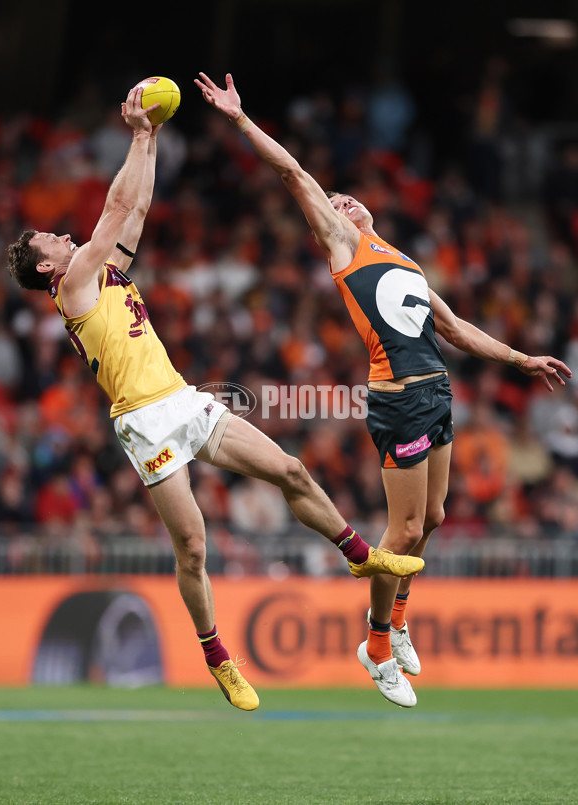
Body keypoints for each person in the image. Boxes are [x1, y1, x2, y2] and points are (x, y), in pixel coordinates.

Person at [7, 85, 424, 711]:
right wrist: (136, 135)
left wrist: (148, 137)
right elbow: (117, 204)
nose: (65, 237)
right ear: (46, 269)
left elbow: (136, 211)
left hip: (181, 399)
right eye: (52, 240)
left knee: (290, 469)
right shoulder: (73, 288)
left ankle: (360, 555)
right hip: (142, 423)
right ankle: (216, 655)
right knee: (194, 546)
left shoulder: (104, 273)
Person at [195, 72, 573, 707]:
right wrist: (239, 120)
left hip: (438, 393)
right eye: (335, 202)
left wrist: (519, 356)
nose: (342, 203)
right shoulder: (345, 248)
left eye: (346, 199)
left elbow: (453, 327)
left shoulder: (401, 260)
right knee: (399, 536)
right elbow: (292, 173)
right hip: (397, 398)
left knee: (435, 517)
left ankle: (398, 621)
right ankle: (374, 644)